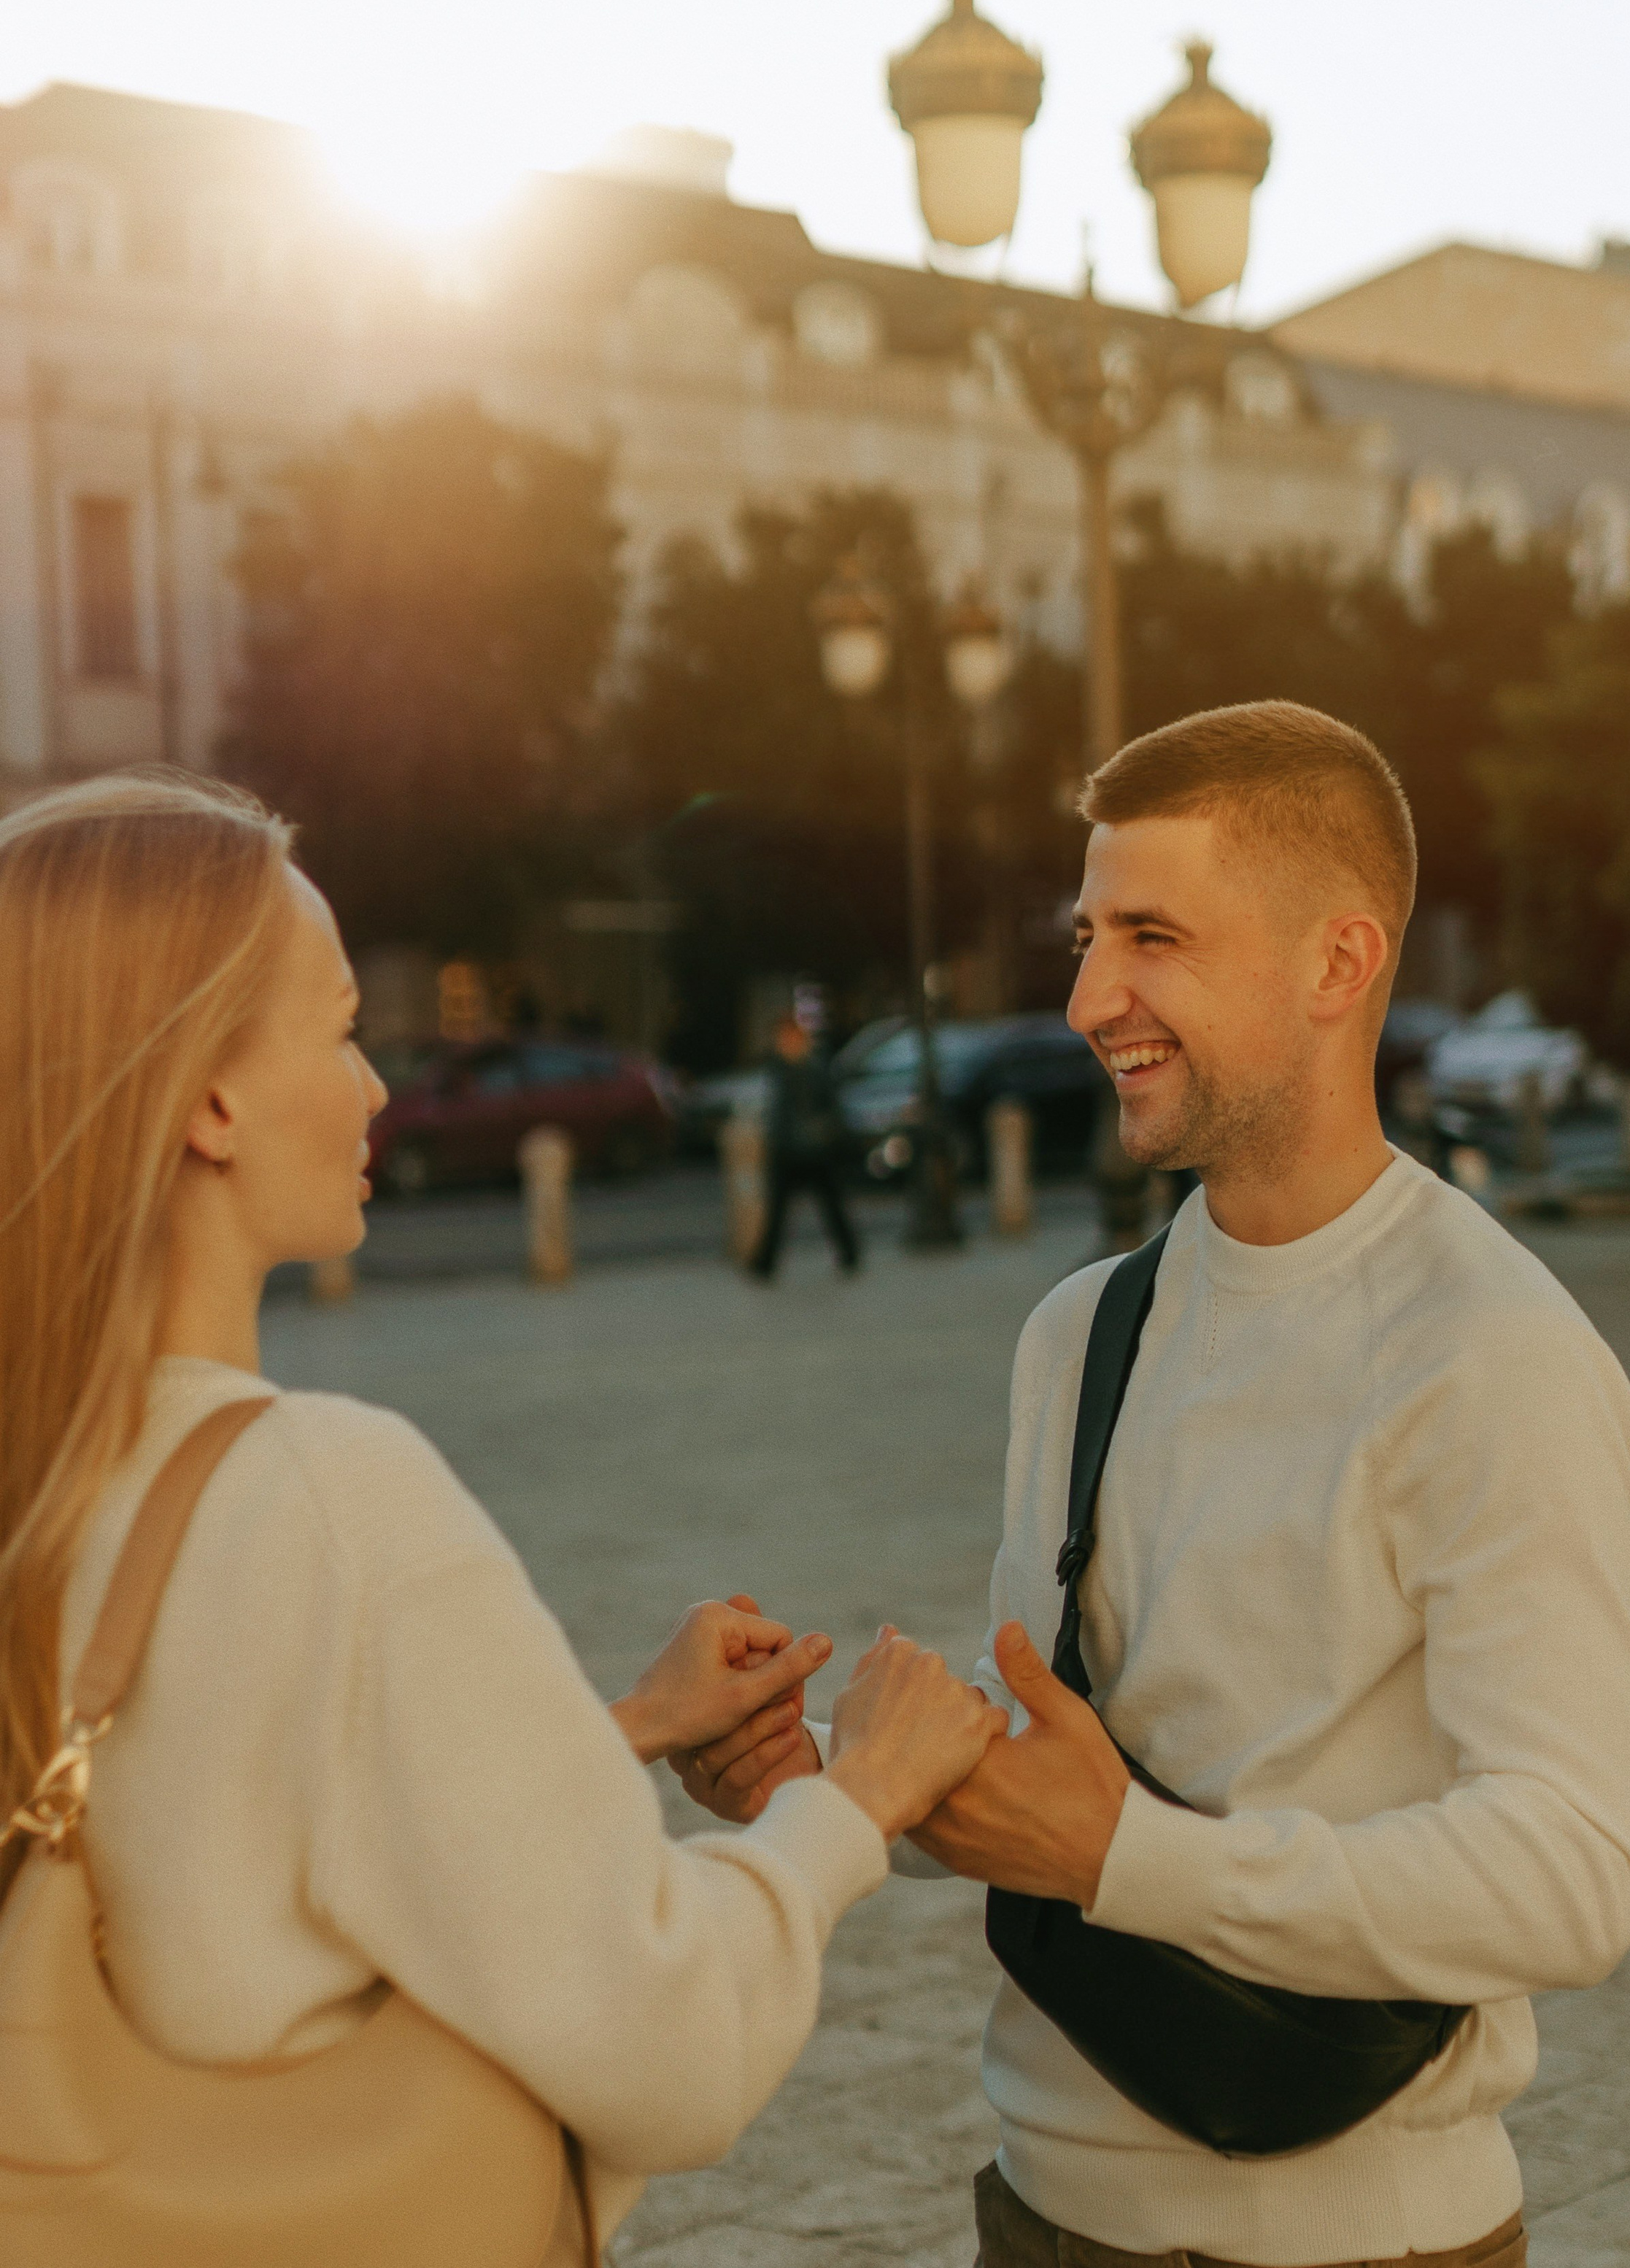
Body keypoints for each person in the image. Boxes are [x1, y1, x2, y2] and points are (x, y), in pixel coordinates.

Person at [679, 702, 1630, 2268]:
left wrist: (1124, 1857)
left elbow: (1571, 1876)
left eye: (1152, 937)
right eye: (1087, 938)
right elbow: (1057, 1777)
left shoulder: (1491, 1350)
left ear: (1337, 963)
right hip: (1041, 2218)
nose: (1085, 1000)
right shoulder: (1083, 1330)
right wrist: (822, 1778)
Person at [0, 774, 1003, 2264]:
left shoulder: (46, 1483)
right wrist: (857, 1800)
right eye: (341, 1030)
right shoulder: (329, 1499)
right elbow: (665, 2040)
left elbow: (227, 1844)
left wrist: (615, 1732)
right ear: (210, 1100)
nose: (376, 1089)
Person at [749, 1015, 860, 1279]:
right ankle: (765, 1262)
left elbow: (829, 1105)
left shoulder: (811, 1068)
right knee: (781, 1210)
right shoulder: (781, 1070)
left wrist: (828, 1133)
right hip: (791, 1149)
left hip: (812, 1149)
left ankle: (848, 1254)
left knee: (829, 1205)